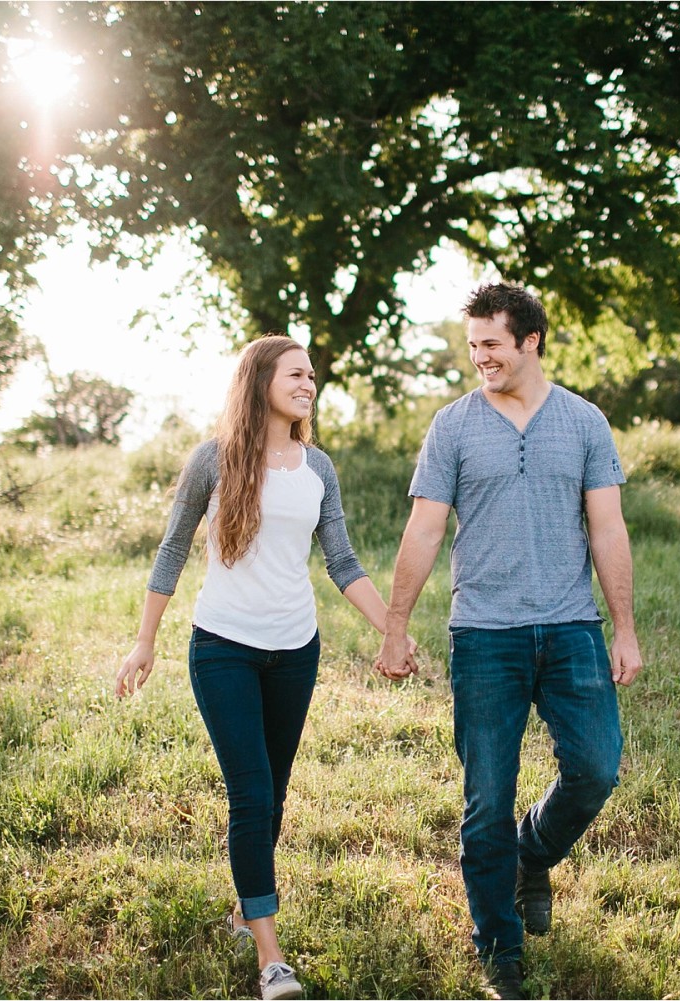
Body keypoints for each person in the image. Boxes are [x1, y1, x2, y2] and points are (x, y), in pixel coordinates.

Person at [116, 333, 413, 1001]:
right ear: (260, 381)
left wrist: (393, 628)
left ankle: (244, 907)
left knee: (272, 796)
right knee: (251, 793)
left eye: (312, 374)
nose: (308, 382)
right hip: (222, 646)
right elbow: (170, 553)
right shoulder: (213, 460)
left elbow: (343, 562)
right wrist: (145, 640)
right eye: (296, 373)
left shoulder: (319, 467)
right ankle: (271, 958)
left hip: (295, 649)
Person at [375, 282, 643, 1001]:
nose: (480, 358)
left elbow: (608, 528)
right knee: (485, 799)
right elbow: (425, 529)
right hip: (484, 633)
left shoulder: (585, 422)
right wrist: (396, 625)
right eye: (472, 347)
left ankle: (532, 855)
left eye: (491, 344)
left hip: (570, 625)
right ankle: (501, 948)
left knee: (596, 768)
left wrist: (623, 627)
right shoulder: (453, 426)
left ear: (530, 342)